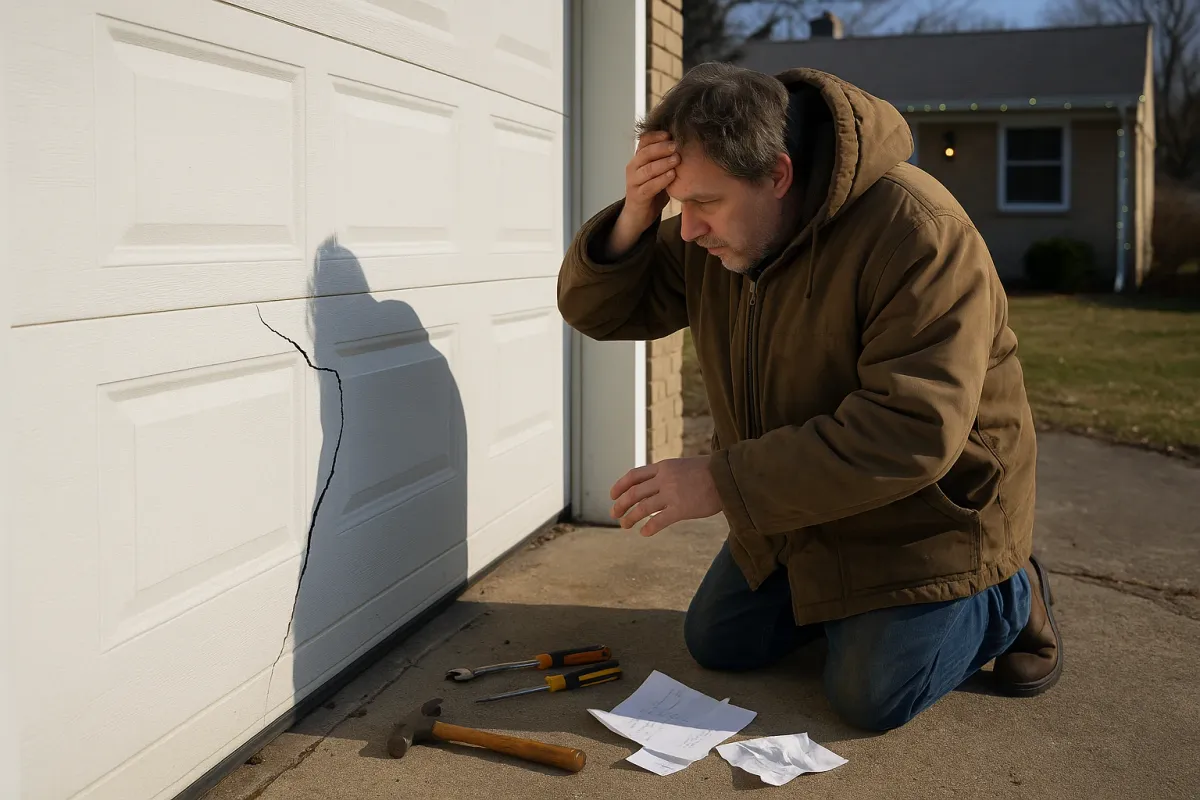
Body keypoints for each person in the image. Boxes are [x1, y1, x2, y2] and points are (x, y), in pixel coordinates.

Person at [556, 62, 1062, 731]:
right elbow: (602, 314)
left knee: (869, 696)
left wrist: (719, 481)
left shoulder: (920, 233)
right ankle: (858, 613)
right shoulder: (717, 236)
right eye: (680, 205)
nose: (690, 230)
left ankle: (1011, 593)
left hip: (924, 519)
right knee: (719, 644)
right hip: (800, 510)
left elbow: (909, 430)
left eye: (704, 203)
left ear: (778, 175)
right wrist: (635, 216)